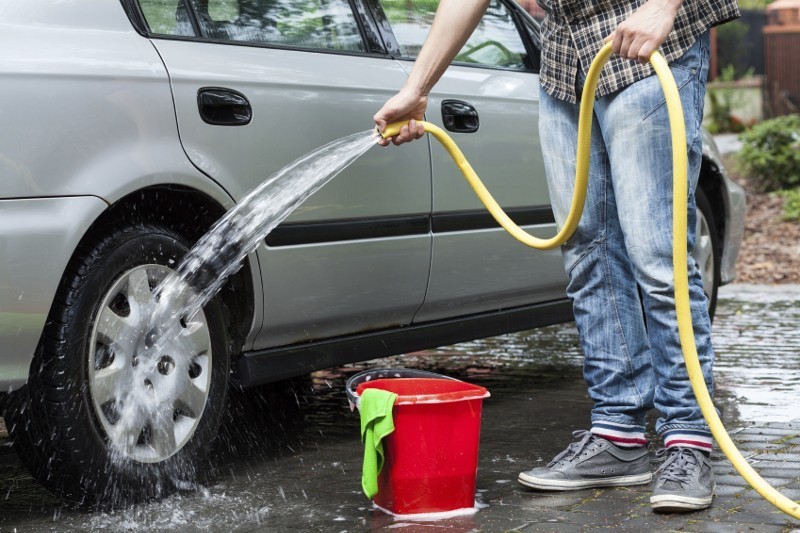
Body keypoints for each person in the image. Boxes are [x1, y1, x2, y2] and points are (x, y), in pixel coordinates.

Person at [373, 0, 740, 513]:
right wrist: (417, 88)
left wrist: (662, 6)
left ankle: (688, 440)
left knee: (657, 256)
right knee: (587, 251)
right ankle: (618, 435)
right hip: (567, 64)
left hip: (650, 43)